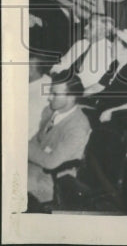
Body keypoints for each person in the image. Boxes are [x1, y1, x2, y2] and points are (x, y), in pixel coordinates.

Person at [28, 75, 92, 206]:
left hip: (51, 181)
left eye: (55, 94)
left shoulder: (78, 127)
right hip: (33, 168)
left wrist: (21, 146)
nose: (49, 97)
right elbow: (36, 140)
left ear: (71, 97)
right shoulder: (50, 111)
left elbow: (51, 163)